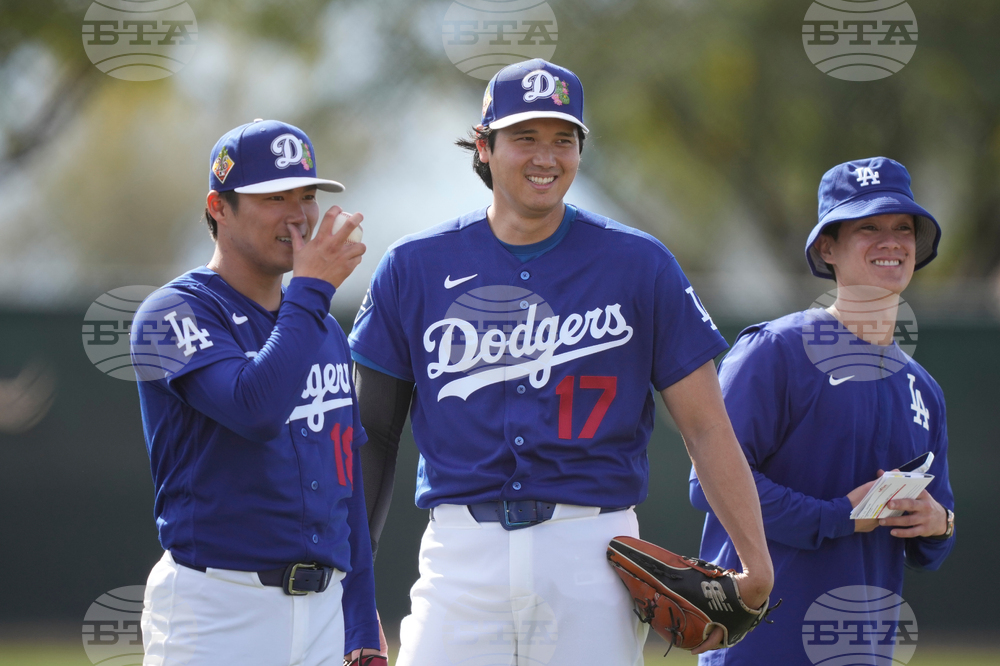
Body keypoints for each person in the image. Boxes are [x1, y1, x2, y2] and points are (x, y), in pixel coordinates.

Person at [348, 59, 773, 665]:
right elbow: (372, 437)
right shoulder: (413, 266)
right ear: (484, 146)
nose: (547, 156)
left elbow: (706, 427)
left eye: (564, 139)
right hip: (462, 551)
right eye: (525, 137)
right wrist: (355, 600)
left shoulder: (639, 264)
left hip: (595, 552)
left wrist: (755, 561)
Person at [130, 119, 385, 665]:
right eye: (274, 196)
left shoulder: (320, 327)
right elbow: (255, 408)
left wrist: (361, 617)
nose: (299, 214)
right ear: (219, 207)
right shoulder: (170, 314)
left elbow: (347, 485)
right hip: (217, 607)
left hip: (324, 610)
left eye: (307, 195)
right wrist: (312, 290)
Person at [690, 157, 956, 665]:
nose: (891, 241)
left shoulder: (924, 389)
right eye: (868, 227)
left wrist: (937, 522)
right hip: (761, 645)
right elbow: (709, 482)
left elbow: (933, 543)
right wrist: (838, 517)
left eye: (903, 227)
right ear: (826, 247)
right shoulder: (776, 350)